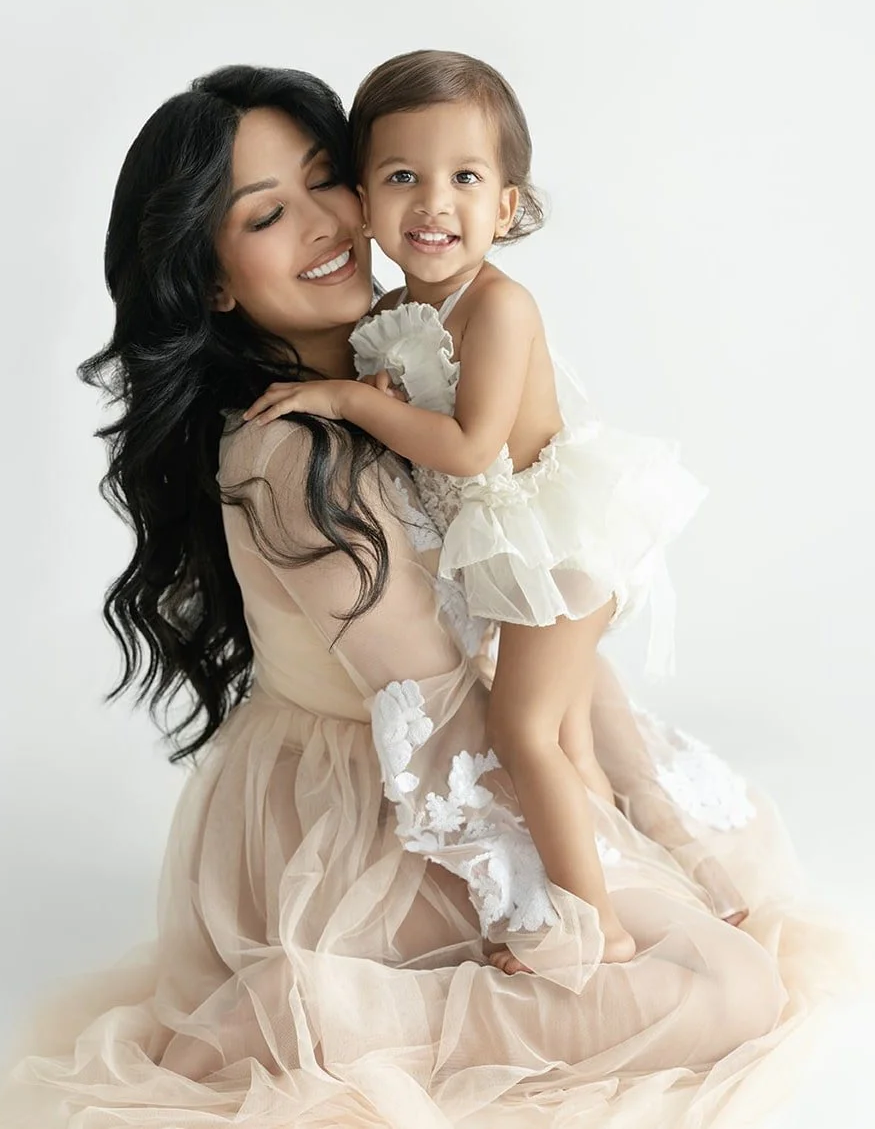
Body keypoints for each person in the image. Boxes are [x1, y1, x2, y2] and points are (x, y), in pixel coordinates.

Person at [0, 63, 848, 1129]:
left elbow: (532, 622)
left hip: (471, 735)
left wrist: (646, 821)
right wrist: (547, 904)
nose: (326, 225)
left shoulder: (401, 354)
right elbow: (438, 714)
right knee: (727, 989)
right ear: (213, 280)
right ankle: (314, 1005)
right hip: (389, 794)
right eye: (266, 214)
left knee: (730, 904)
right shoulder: (294, 453)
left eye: (325, 181)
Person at [245, 50, 705, 967]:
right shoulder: (398, 311)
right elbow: (409, 385)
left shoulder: (499, 307)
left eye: (465, 178)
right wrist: (375, 381)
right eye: (401, 177)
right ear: (366, 205)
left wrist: (350, 400)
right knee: (570, 746)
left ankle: (595, 931)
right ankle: (662, 885)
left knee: (523, 730)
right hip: (503, 548)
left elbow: (465, 445)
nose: (432, 204)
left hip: (554, 546)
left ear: (507, 205)